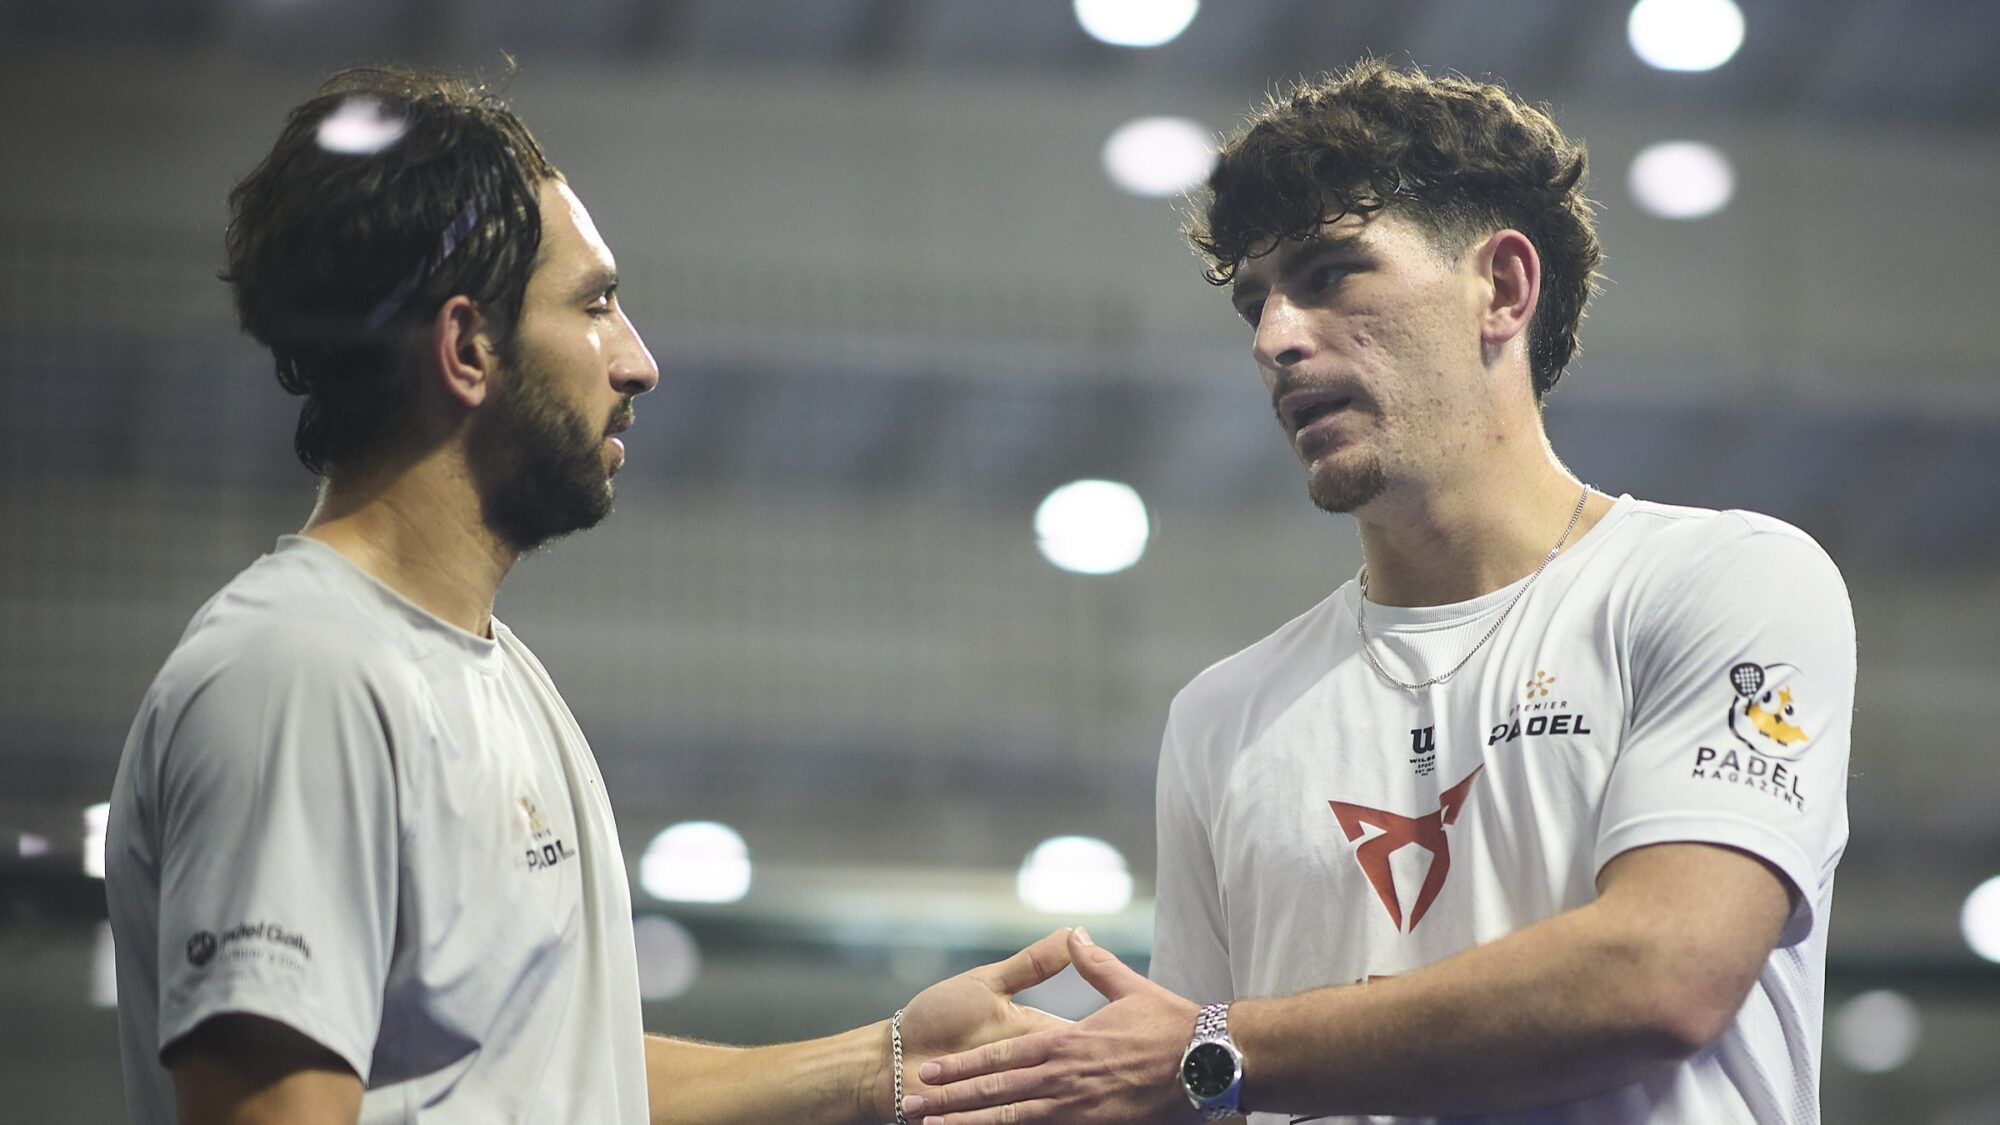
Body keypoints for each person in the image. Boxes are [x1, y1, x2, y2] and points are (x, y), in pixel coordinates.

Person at [103, 66, 1071, 1125]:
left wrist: (879, 1064)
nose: (638, 361)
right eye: (595, 304)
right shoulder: (297, 675)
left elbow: (556, 1074)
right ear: (467, 348)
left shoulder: (492, 674)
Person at [906, 59, 1854, 1124]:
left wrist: (1219, 1046)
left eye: (1328, 276)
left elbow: (1661, 975)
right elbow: (1176, 1084)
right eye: (1255, 302)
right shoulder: (1223, 715)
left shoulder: (1722, 581)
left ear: (1502, 288)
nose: (1274, 339)